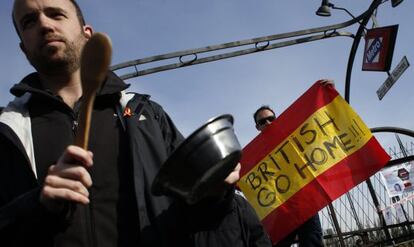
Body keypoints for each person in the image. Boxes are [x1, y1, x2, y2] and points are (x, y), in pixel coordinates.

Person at [0, 0, 271, 246]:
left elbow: (193, 217)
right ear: (23, 48)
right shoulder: (6, 131)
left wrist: (216, 191)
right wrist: (37, 205)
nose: (44, 25)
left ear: (87, 34)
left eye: (55, 14)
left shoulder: (147, 116)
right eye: (29, 21)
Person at [253, 80, 334, 247]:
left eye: (270, 118)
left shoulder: (293, 135)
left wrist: (327, 93)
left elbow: (318, 125)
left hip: (305, 204)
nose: (267, 123)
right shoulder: (253, 155)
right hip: (280, 210)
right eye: (262, 121)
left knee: (312, 242)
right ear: (257, 127)